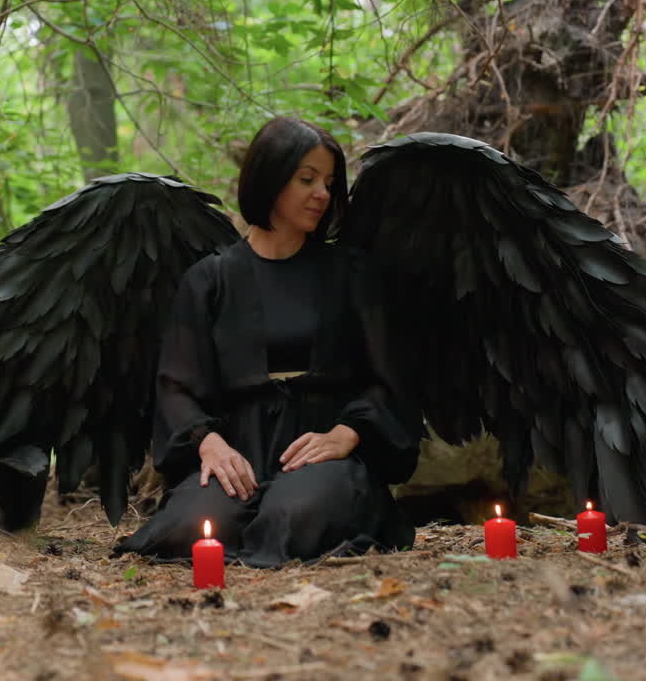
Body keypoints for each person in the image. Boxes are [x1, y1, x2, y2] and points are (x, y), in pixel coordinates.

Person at [113, 117, 423, 568]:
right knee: (193, 527)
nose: (322, 194)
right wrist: (208, 443)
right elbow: (177, 384)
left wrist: (346, 434)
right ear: (269, 178)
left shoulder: (351, 274)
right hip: (237, 449)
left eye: (329, 183)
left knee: (295, 516)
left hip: (319, 449)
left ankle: (294, 516)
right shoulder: (210, 279)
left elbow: (391, 378)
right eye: (307, 179)